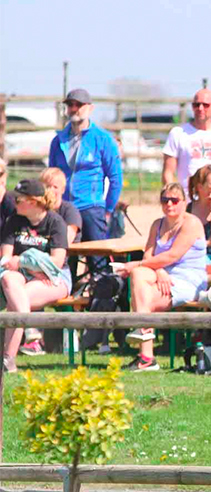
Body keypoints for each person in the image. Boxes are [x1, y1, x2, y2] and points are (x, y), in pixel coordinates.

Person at [119, 183, 207, 372]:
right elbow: (148, 256)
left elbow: (173, 255)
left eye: (175, 200)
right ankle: (145, 344)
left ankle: (145, 352)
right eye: (165, 200)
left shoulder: (191, 223)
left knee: (143, 293)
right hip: (162, 274)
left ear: (184, 202)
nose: (170, 204)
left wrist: (141, 265)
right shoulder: (157, 224)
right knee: (138, 275)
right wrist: (159, 271)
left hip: (187, 279)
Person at [0, 180, 73, 373]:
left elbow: (57, 262)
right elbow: (6, 257)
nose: (13, 202)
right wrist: (27, 266)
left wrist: (23, 261)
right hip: (22, 273)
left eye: (18, 199)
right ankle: (27, 329)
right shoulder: (14, 221)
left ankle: (8, 358)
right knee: (8, 280)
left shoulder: (55, 222)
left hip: (54, 277)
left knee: (17, 298)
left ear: (32, 201)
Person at [47, 88, 122, 271]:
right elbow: (51, 176)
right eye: (70, 105)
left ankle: (101, 298)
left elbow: (115, 178)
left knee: (98, 263)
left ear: (90, 108)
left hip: (91, 208)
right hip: (62, 209)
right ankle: (65, 298)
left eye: (79, 105)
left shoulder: (103, 139)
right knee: (62, 263)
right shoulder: (58, 140)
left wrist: (107, 210)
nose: (74, 108)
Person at [162, 88, 211, 197]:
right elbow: (168, 172)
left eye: (205, 105)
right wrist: (174, 197)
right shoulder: (178, 133)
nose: (200, 108)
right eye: (196, 105)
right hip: (188, 201)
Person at [38, 168, 82, 243]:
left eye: (55, 187)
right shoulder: (37, 209)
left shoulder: (70, 211)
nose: (51, 190)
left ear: (63, 189)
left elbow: (65, 240)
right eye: (47, 186)